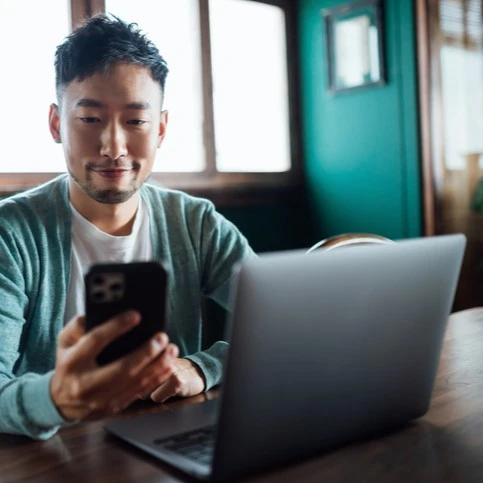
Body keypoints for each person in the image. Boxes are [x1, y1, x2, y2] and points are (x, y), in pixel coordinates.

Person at [0, 14, 255, 440]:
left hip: (165, 443)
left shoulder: (197, 223)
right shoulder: (11, 235)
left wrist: (201, 367)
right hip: (49, 457)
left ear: (160, 129)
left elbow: (276, 331)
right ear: (57, 124)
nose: (113, 147)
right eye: (90, 119)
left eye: (135, 121)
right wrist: (57, 398)